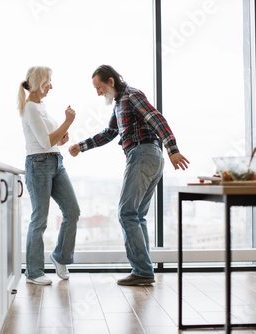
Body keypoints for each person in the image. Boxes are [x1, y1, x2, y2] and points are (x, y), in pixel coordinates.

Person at [69, 65, 189, 286]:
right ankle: (143, 270)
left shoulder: (132, 95)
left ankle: (142, 271)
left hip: (143, 153)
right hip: (150, 157)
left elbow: (157, 119)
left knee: (126, 213)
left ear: (111, 82)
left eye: (99, 87)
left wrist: (173, 149)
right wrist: (82, 145)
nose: (98, 92)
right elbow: (109, 133)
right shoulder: (119, 104)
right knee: (137, 215)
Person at [18, 66, 81, 285]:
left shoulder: (41, 107)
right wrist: (67, 122)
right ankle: (34, 272)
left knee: (72, 211)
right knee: (40, 218)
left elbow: (52, 140)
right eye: (48, 83)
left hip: (56, 162)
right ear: (38, 82)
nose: (51, 87)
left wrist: (62, 138)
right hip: (38, 164)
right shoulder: (30, 108)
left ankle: (60, 257)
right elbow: (44, 142)